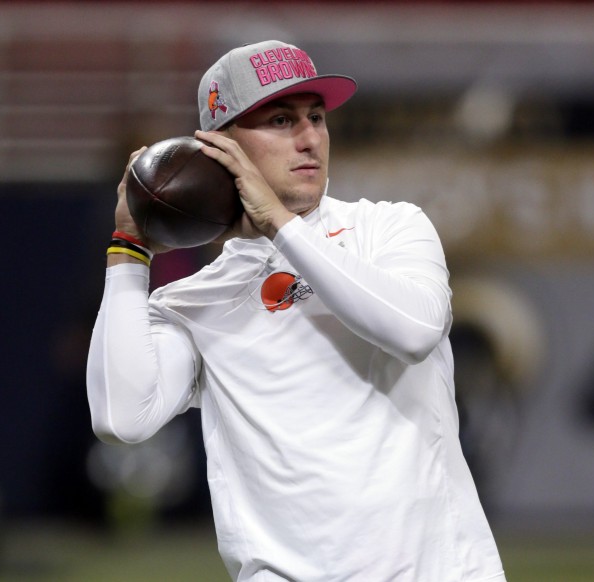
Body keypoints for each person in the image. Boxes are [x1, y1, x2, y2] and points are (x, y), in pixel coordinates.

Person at [87, 40, 506, 582]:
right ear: (217, 148)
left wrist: (279, 225)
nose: (309, 138)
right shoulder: (195, 300)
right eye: (281, 120)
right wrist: (128, 249)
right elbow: (122, 419)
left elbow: (415, 331)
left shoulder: (388, 229)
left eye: (316, 117)